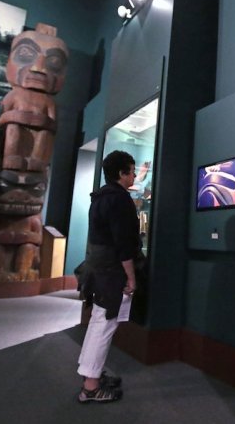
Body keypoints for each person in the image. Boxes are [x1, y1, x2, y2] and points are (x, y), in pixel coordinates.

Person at [76, 150, 138, 403]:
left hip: (98, 266)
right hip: (112, 270)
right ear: (122, 173)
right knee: (105, 324)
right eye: (132, 171)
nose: (134, 175)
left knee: (98, 321)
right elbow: (123, 244)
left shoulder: (100, 197)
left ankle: (91, 374)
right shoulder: (120, 200)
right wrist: (131, 276)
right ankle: (91, 387)